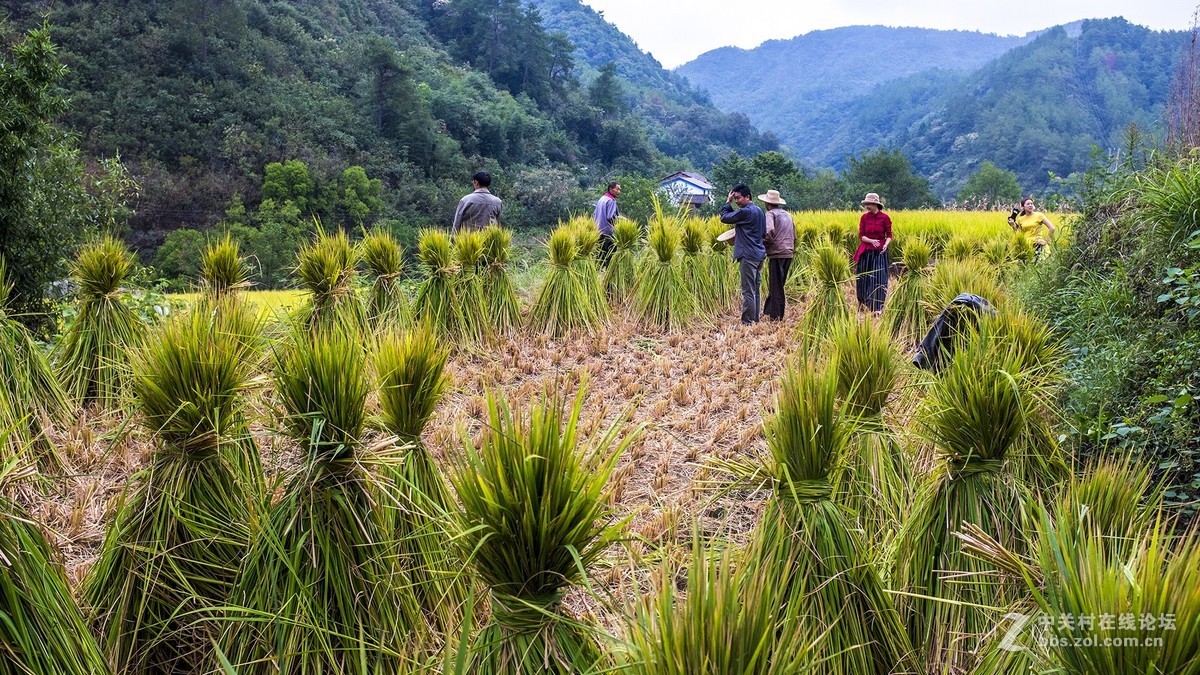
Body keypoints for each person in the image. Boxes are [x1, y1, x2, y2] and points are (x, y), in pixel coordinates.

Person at [720, 183, 767, 325]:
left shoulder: (746, 211)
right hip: (759, 254)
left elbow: (725, 217)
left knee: (748, 291)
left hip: (748, 255)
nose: (737, 202)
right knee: (755, 289)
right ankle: (755, 319)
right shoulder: (759, 211)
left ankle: (747, 321)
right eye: (734, 199)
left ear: (748, 197)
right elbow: (763, 233)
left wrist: (727, 202)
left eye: (738, 198)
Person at [854, 192, 892, 314]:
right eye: (866, 204)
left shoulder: (885, 218)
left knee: (879, 278)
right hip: (866, 251)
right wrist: (871, 241)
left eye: (869, 204)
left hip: (879, 253)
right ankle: (863, 303)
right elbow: (861, 236)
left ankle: (877, 307)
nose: (867, 206)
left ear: (875, 204)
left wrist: (886, 244)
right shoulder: (864, 218)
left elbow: (889, 235)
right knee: (863, 277)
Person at [759, 189, 794, 320]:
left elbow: (769, 231)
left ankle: (776, 316)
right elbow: (794, 234)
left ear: (767, 204)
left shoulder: (770, 214)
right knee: (779, 283)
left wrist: (762, 243)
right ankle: (768, 311)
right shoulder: (787, 214)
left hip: (777, 253)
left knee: (776, 285)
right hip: (788, 252)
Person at [593, 181, 620, 265]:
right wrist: (619, 224)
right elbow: (610, 217)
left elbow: (594, 214)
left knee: (599, 259)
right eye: (617, 189)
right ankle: (609, 277)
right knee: (610, 260)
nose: (619, 192)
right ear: (611, 189)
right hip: (608, 235)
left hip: (598, 232)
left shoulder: (602, 199)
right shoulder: (611, 201)